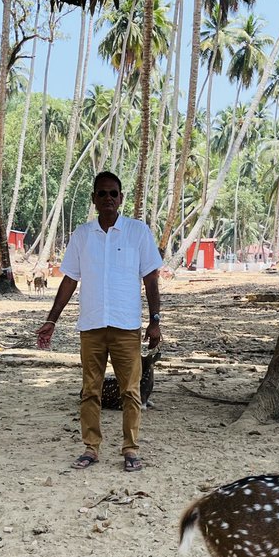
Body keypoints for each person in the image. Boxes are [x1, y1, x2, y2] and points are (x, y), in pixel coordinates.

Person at [36, 171, 162, 472]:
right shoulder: (82, 235)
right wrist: (51, 320)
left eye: (113, 193)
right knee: (89, 391)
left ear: (121, 198)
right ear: (93, 199)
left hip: (126, 327)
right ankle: (91, 448)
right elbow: (69, 280)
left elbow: (151, 278)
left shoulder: (137, 232)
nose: (108, 198)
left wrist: (155, 320)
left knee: (130, 391)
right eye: (102, 193)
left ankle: (130, 449)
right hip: (91, 327)